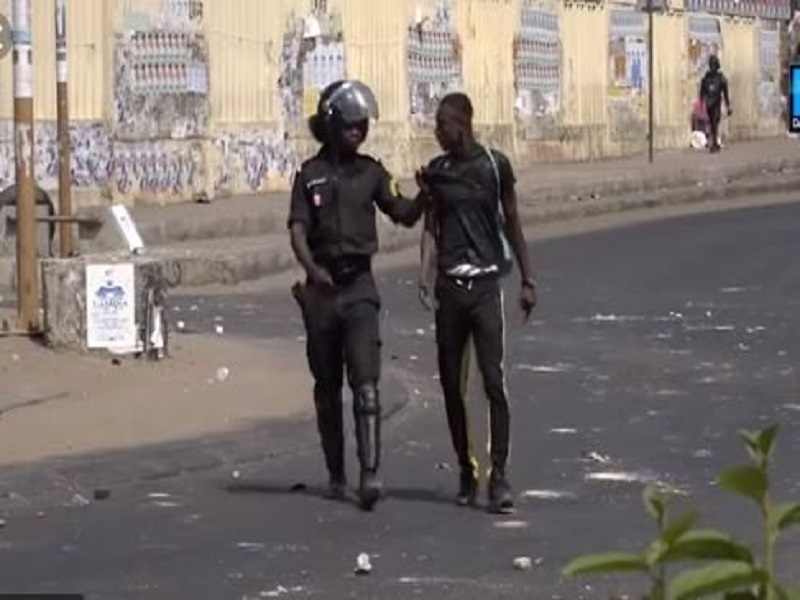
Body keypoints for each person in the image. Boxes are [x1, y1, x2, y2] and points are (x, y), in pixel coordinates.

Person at [288, 80, 428, 511]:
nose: (357, 132)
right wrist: (313, 271)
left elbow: (401, 213)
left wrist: (425, 195)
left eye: (362, 125)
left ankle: (370, 474)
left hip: (360, 288)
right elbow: (297, 230)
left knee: (366, 387)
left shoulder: (373, 173)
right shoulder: (309, 176)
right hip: (322, 293)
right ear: (330, 126)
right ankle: (336, 474)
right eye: (350, 125)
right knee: (327, 388)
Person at [417, 93, 537, 514]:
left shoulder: (494, 166)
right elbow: (430, 228)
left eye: (441, 123)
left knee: (492, 381)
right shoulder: (437, 172)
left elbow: (513, 222)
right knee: (452, 384)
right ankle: (466, 471)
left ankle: (498, 475)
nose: (436, 131)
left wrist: (527, 279)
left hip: (486, 288)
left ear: (461, 124)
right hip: (450, 290)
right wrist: (425, 276)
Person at [699, 55, 732, 153]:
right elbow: (702, 91)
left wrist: (728, 106)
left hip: (715, 104)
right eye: (711, 65)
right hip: (710, 104)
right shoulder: (707, 78)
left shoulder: (720, 78)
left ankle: (714, 143)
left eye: (714, 65)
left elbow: (725, 93)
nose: (713, 67)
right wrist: (701, 103)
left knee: (714, 123)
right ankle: (714, 143)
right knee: (713, 124)